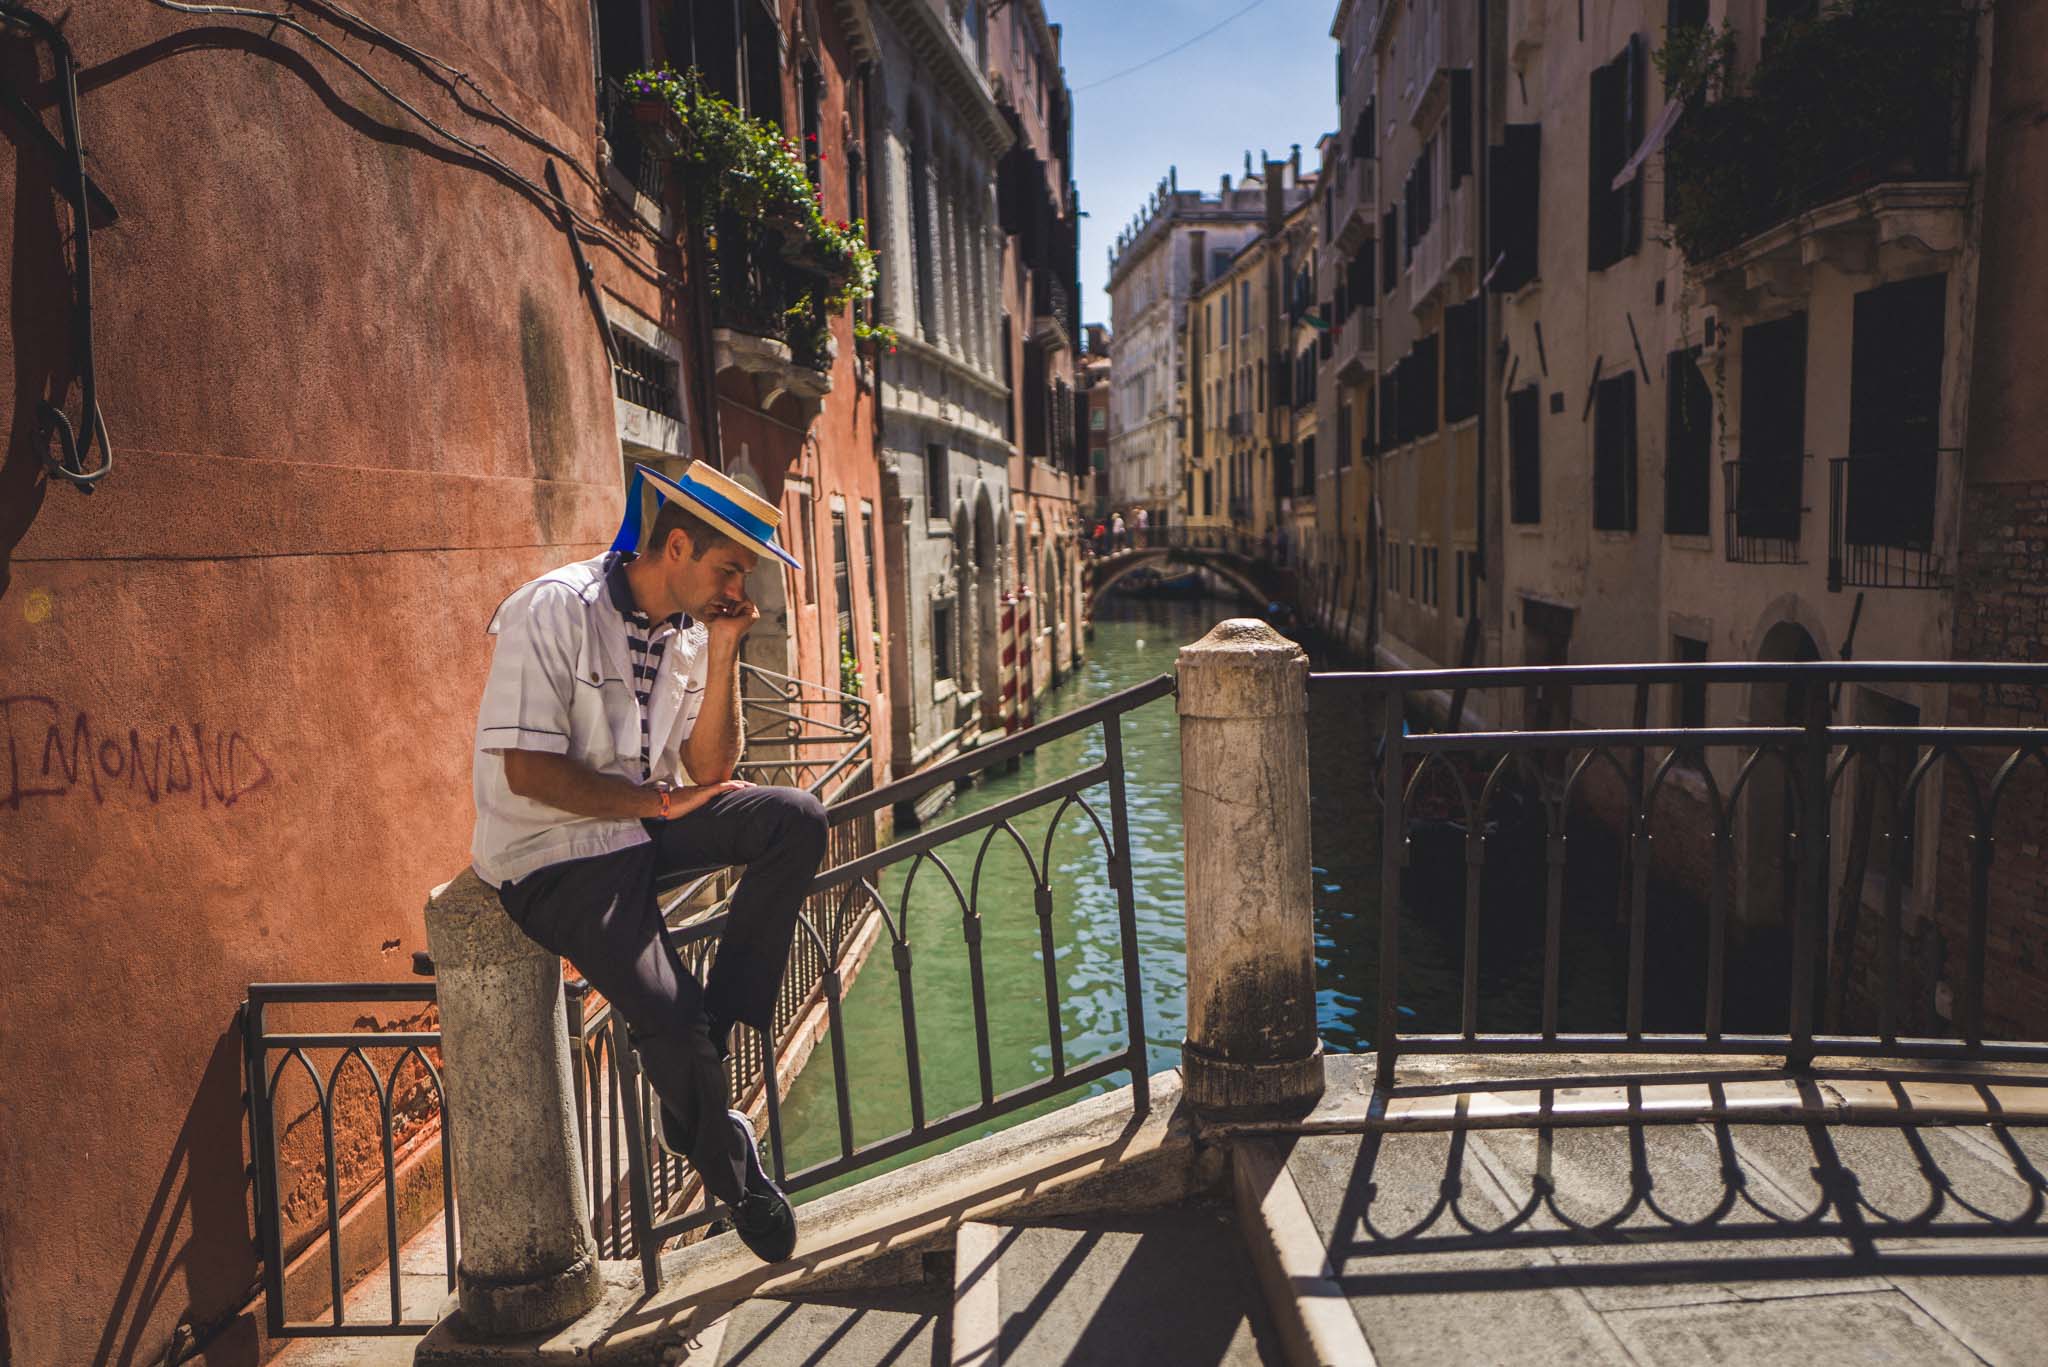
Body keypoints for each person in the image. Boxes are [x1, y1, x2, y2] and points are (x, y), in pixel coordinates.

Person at [469, 461, 828, 1265]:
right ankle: (735, 1177)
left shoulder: (694, 636)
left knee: (796, 821)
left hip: (640, 824)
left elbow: (710, 771)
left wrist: (729, 647)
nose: (740, 585)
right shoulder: (554, 608)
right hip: (550, 855)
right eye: (729, 567)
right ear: (676, 545)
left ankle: (715, 1043)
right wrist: (656, 806)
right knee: (665, 1011)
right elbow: (526, 770)